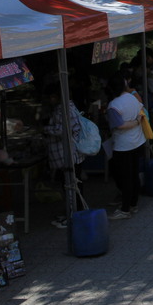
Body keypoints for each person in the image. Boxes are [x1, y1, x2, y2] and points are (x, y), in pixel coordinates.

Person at [41, 84, 86, 229]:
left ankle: (73, 215)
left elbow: (62, 130)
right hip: (72, 153)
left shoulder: (63, 109)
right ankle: (73, 212)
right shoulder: (69, 107)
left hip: (67, 153)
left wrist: (45, 129)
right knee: (72, 184)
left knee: (71, 185)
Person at [105, 74, 147, 220]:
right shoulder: (132, 97)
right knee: (134, 174)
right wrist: (136, 122)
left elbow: (120, 125)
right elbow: (142, 114)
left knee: (125, 177)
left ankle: (125, 208)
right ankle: (134, 204)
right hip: (138, 141)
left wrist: (134, 123)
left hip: (123, 146)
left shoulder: (113, 105)